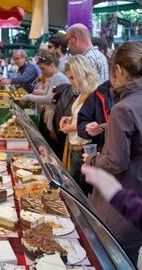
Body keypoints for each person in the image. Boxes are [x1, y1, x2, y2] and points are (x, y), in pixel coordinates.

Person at [84, 41, 142, 263]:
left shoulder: (123, 107)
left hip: (123, 194)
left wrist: (91, 160)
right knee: (131, 255)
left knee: (111, 254)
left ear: (118, 70)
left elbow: (115, 162)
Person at [59, 56, 100, 192]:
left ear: (81, 73)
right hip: (76, 147)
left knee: (77, 191)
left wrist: (72, 126)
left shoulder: (95, 92)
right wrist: (68, 118)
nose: (70, 82)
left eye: (72, 78)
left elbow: (97, 124)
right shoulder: (84, 91)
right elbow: (82, 117)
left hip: (85, 149)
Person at [21, 51, 69, 154]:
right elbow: (52, 94)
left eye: (43, 68)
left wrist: (29, 97)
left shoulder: (58, 77)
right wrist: (41, 92)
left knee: (54, 150)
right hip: (52, 118)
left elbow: (50, 99)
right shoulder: (53, 77)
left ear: (51, 66)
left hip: (56, 119)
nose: (42, 72)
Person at [77, 76, 113, 151]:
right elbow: (81, 122)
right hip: (104, 151)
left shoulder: (137, 96)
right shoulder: (97, 94)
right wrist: (87, 128)